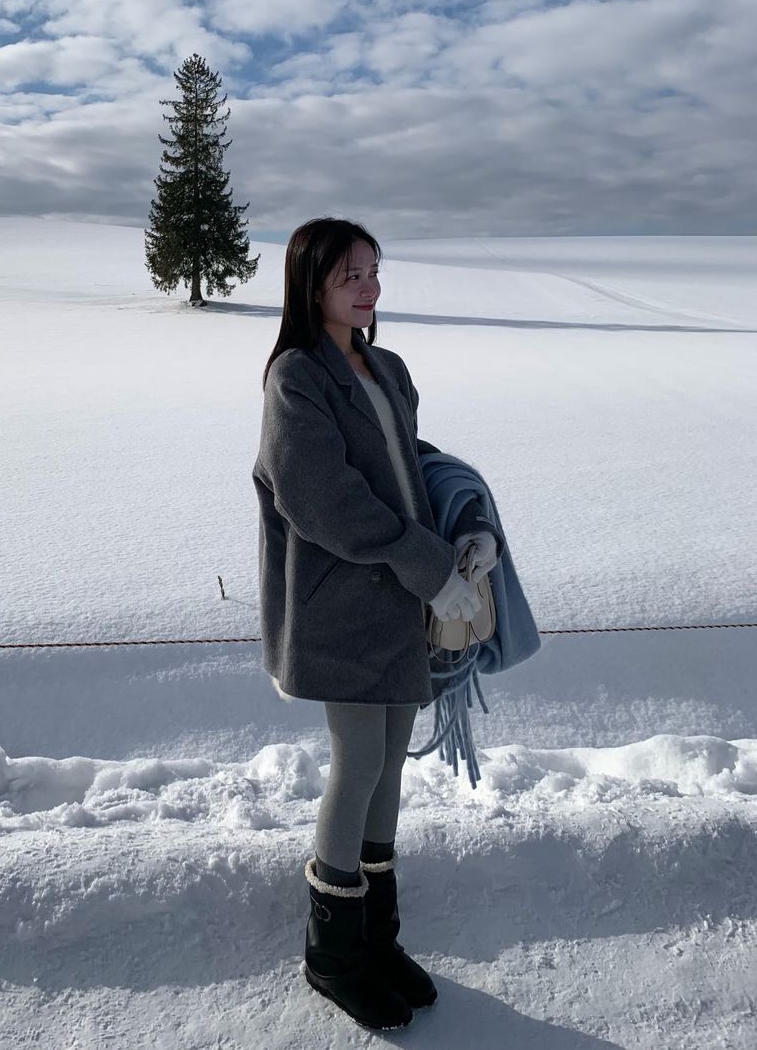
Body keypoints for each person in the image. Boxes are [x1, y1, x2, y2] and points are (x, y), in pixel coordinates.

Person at [252, 216, 503, 1032]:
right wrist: (428, 566)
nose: (368, 286)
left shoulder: (386, 366)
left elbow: (409, 465)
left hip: (397, 597)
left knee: (391, 758)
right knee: (358, 760)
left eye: (373, 270)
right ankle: (331, 953)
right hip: (339, 602)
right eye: (349, 274)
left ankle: (375, 937)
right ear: (312, 285)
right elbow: (323, 499)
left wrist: (468, 523)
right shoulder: (296, 377)